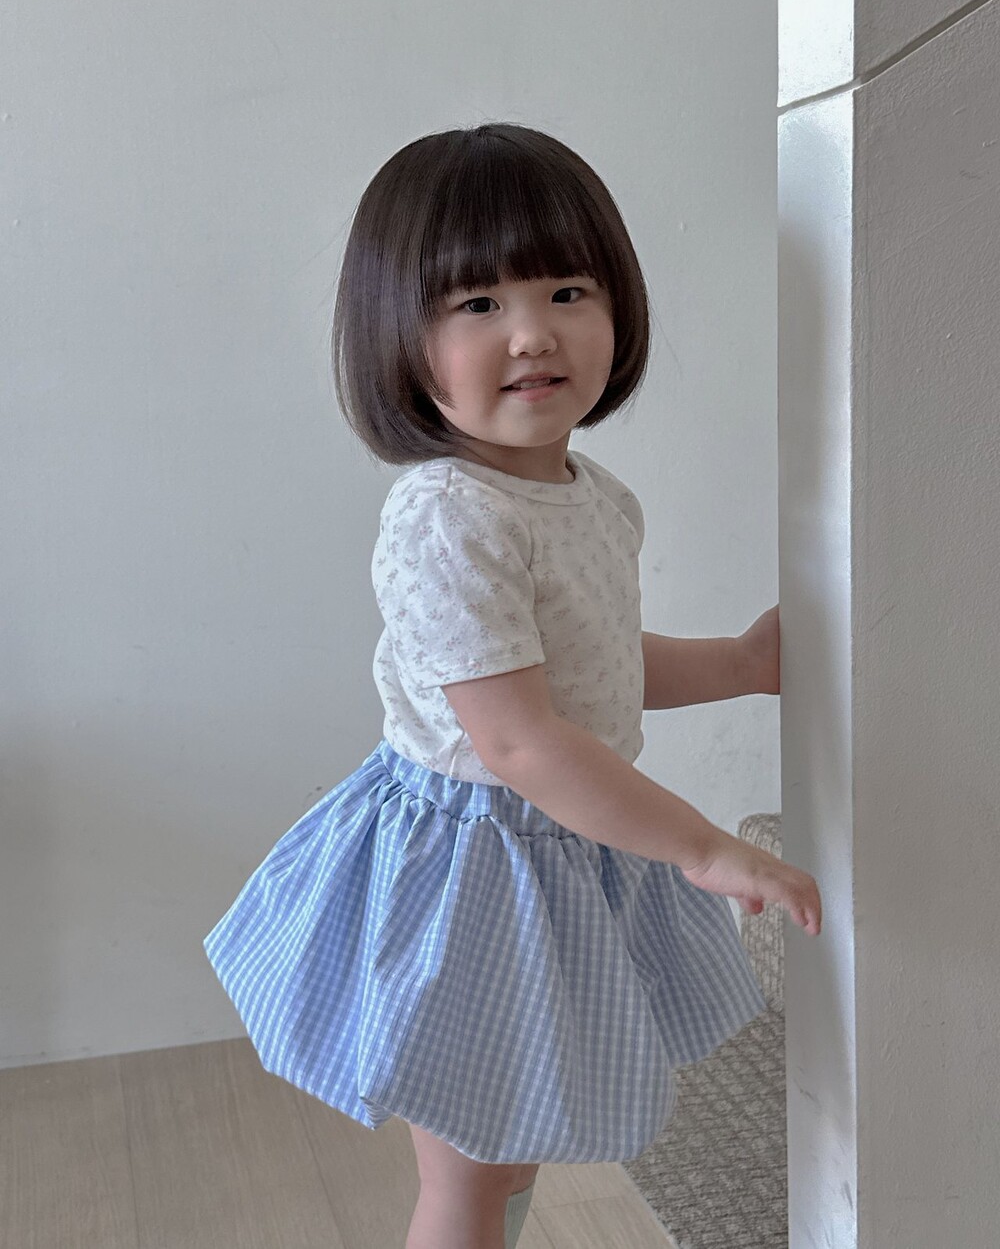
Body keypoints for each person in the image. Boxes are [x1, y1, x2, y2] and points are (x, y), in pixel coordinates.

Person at [204, 122, 822, 1249]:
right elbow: (519, 740)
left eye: (566, 291)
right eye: (477, 303)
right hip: (470, 871)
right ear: (400, 342)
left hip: (554, 850)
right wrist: (702, 847)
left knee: (511, 1141)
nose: (533, 331)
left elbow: (594, 670)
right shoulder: (450, 515)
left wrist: (739, 664)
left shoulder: (593, 495)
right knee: (470, 1170)